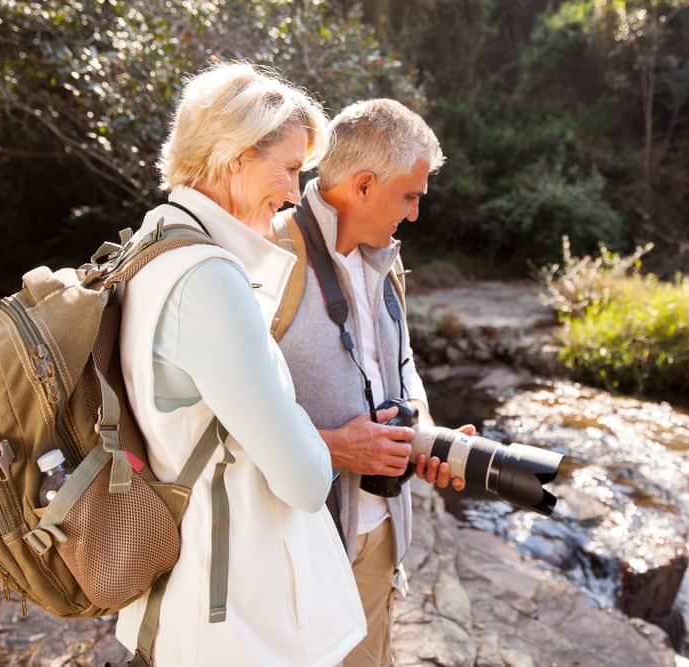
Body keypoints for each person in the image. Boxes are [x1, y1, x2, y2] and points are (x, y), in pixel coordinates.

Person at [114, 62, 366, 666]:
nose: (295, 193)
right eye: (289, 168)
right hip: (236, 624)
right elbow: (305, 480)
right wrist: (310, 429)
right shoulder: (207, 279)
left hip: (196, 594)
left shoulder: (152, 244)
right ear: (236, 157)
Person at [273, 98, 474, 667]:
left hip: (382, 535)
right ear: (363, 185)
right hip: (294, 551)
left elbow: (403, 365)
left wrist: (426, 433)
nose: (415, 214)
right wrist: (334, 448)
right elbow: (213, 419)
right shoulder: (265, 257)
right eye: (409, 196)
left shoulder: (388, 261)